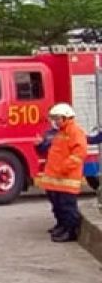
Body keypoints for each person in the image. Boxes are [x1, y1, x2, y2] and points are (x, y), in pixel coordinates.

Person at [35, 103, 88, 242]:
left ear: (66, 118)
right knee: (60, 206)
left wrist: (63, 168)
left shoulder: (75, 132)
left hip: (67, 178)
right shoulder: (61, 133)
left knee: (68, 207)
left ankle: (71, 232)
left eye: (58, 118)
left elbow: (79, 153)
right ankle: (64, 227)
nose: (56, 122)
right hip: (58, 179)